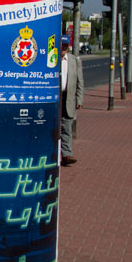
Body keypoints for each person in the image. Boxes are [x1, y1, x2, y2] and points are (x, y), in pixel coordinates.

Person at [60, 36, 83, 166]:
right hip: (55, 98)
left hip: (68, 98)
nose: (63, 48)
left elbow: (80, 82)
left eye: (65, 46)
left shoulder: (74, 60)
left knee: (67, 127)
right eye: (61, 45)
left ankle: (66, 155)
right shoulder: (52, 59)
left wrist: (79, 99)